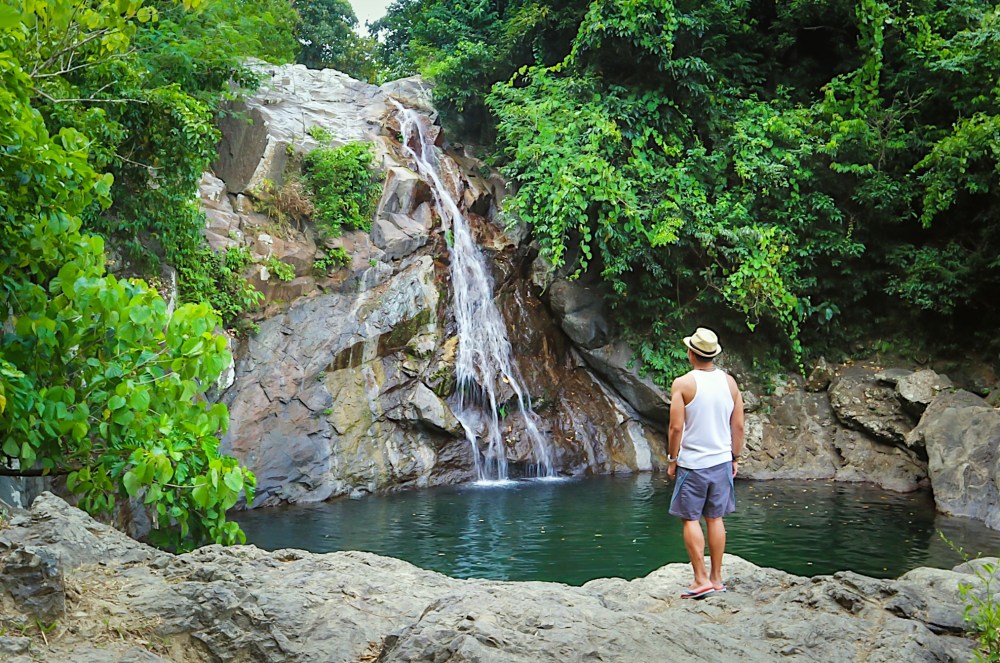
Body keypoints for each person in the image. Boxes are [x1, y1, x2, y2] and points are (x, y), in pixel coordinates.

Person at [667, 326, 745, 600]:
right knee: (715, 518)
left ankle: (700, 579)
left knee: (690, 518)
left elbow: (676, 428)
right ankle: (717, 578)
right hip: (722, 461)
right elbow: (738, 425)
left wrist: (672, 459)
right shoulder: (729, 382)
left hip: (693, 464)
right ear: (712, 355)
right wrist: (734, 457)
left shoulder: (683, 384)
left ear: (691, 353)